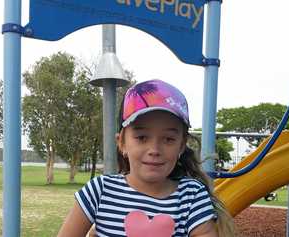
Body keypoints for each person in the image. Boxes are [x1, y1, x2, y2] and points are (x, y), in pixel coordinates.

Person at [58, 79, 234, 237]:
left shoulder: (191, 196)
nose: (154, 150)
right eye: (142, 137)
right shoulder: (99, 191)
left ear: (181, 145)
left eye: (168, 139)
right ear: (122, 143)